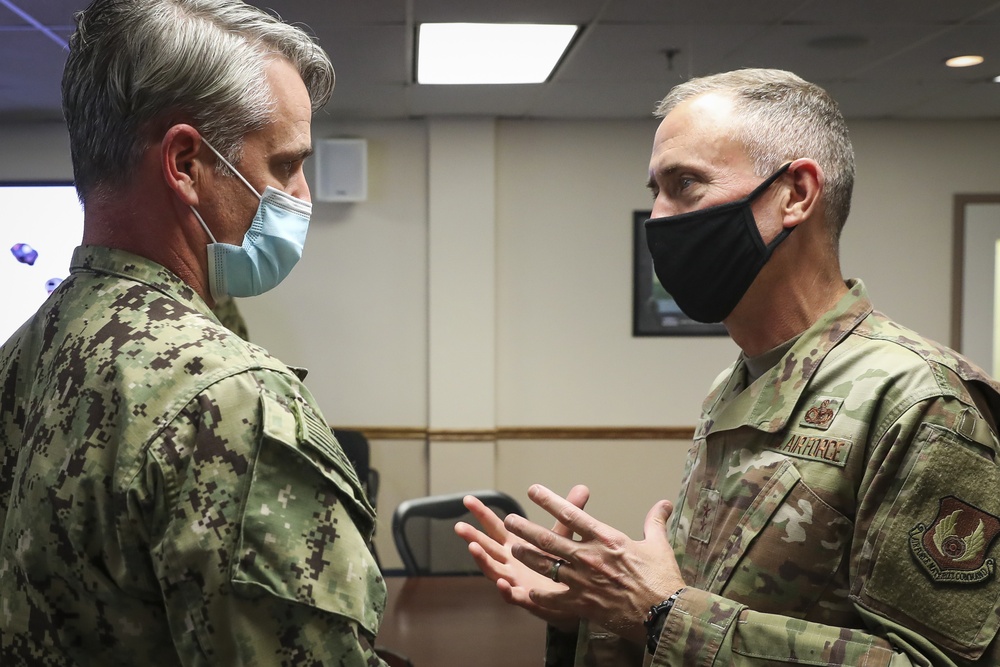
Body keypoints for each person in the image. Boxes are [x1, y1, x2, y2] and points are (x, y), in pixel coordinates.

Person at [456, 68, 1000, 666]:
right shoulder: (739, 381)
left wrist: (660, 615)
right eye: (654, 190)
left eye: (686, 184)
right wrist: (598, 608)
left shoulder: (919, 399)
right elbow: (697, 605)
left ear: (795, 194)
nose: (659, 218)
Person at [0, 1, 388, 665]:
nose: (304, 195)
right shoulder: (229, 400)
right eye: (287, 164)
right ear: (185, 163)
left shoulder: (23, 357)